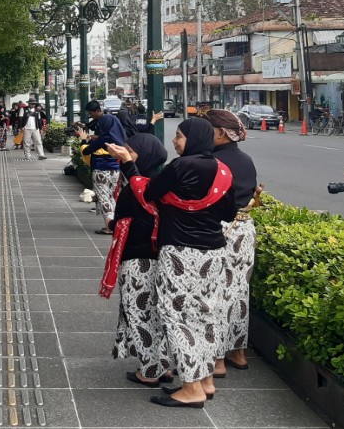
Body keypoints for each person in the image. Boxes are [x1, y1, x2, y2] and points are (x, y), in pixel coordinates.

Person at [106, 117, 237, 408]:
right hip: (214, 253)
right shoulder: (222, 170)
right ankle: (206, 381)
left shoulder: (181, 167)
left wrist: (128, 163)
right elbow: (228, 213)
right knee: (206, 316)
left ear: (191, 139)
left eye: (178, 136)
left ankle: (191, 389)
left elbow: (147, 192)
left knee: (179, 317)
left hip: (180, 252)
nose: (175, 142)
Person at [101, 133, 172, 386]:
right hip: (156, 256)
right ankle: (162, 364)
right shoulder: (158, 181)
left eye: (130, 151)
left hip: (139, 258)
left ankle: (151, 369)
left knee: (139, 312)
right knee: (155, 313)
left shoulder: (143, 186)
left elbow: (135, 216)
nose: (125, 154)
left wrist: (115, 222)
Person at [204, 108, 260, 376]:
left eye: (207, 130)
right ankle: (238, 351)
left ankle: (217, 359)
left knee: (215, 292)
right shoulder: (246, 159)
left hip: (221, 230)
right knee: (238, 291)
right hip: (245, 230)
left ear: (219, 133)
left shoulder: (213, 162)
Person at [81, 100, 126, 234]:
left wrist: (84, 139)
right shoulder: (118, 137)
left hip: (101, 170)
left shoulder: (104, 138)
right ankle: (116, 223)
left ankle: (109, 226)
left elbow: (86, 151)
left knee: (103, 197)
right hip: (115, 170)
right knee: (111, 196)